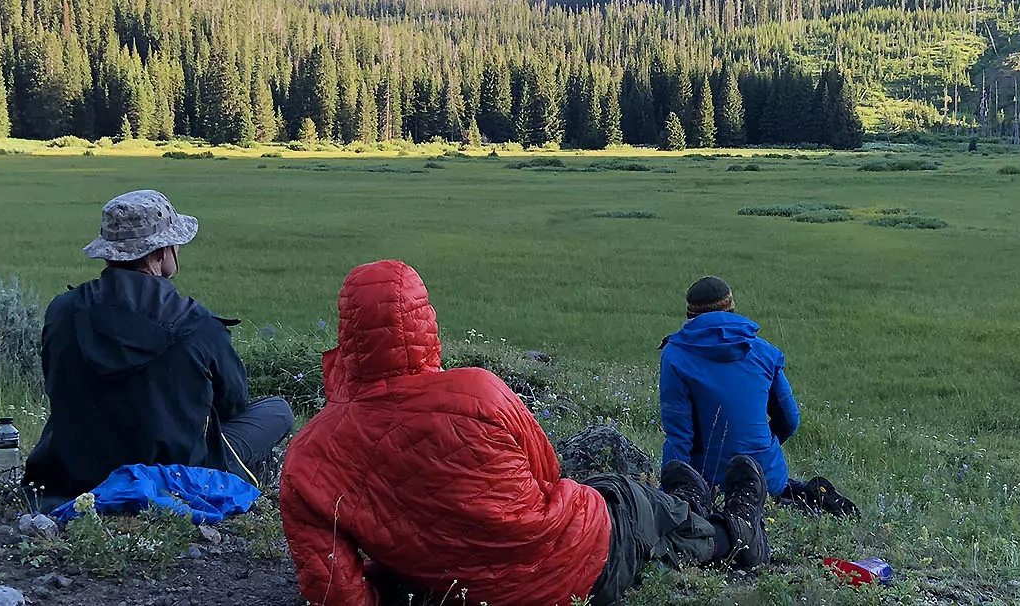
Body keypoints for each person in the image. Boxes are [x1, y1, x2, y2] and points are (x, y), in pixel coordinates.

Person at [280, 260, 769, 606]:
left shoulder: (307, 459)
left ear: (347, 338)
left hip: (459, 590)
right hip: (573, 568)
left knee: (618, 497)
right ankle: (735, 535)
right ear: (425, 324)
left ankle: (689, 505)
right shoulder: (479, 391)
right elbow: (547, 473)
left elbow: (333, 591)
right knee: (628, 501)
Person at [24, 189, 292, 500]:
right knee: (278, 410)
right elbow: (233, 402)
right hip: (176, 477)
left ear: (109, 252)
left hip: (77, 473)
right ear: (160, 253)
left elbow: (56, 385)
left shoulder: (61, 311)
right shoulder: (199, 325)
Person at [659, 276, 800, 497]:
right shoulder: (764, 351)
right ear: (732, 308)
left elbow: (679, 436)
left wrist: (669, 494)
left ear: (690, 315)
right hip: (768, 480)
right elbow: (790, 420)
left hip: (712, 483)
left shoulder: (675, 355)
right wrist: (759, 451)